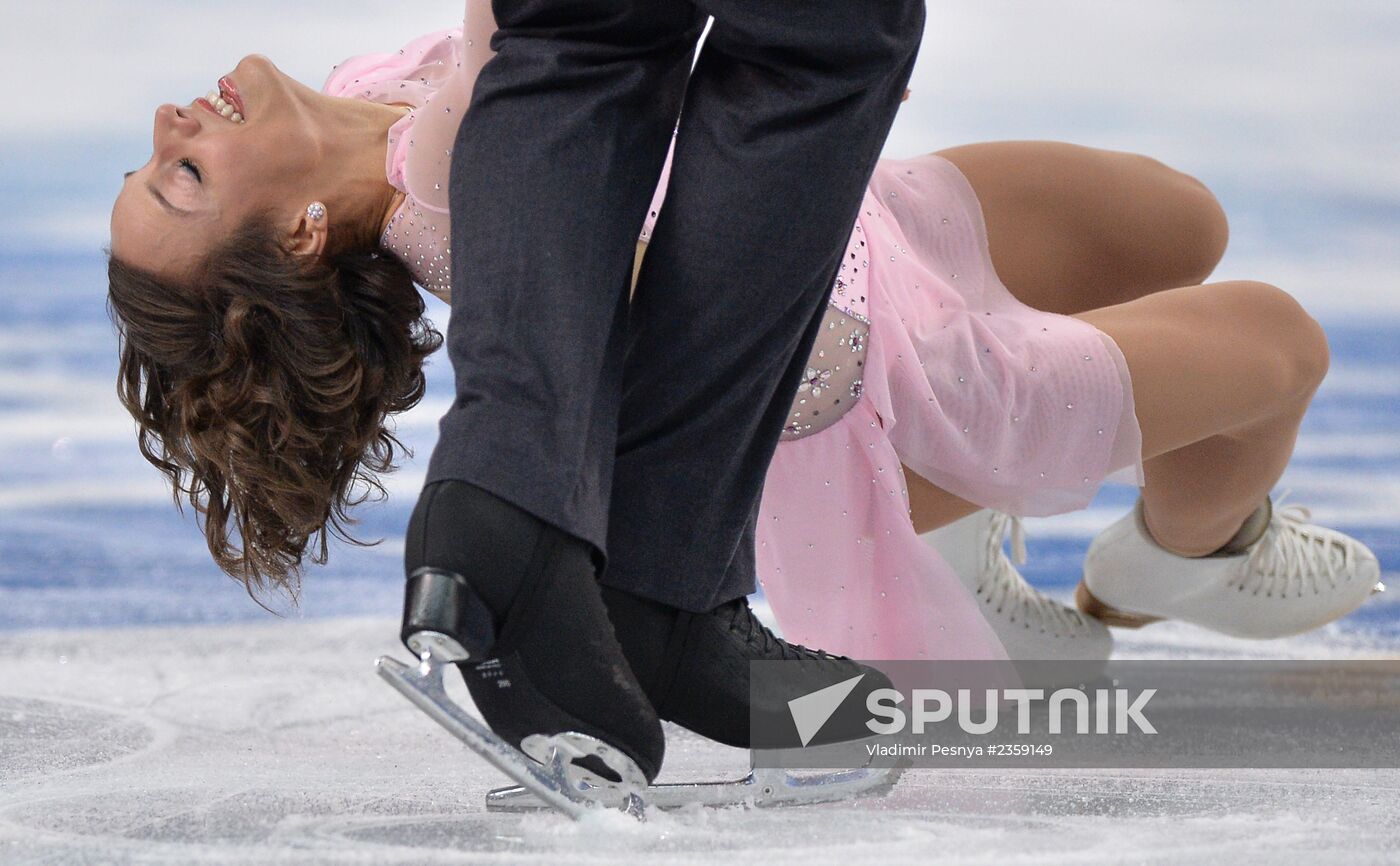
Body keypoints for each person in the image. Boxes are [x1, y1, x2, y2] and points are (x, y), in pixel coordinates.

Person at [107, 5, 1380, 775]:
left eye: (160, 156)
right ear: (303, 236)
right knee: (1277, 345)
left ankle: (964, 544)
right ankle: (1180, 555)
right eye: (186, 177)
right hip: (883, 374)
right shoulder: (449, 177)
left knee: (1181, 221)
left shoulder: (374, 77)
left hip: (876, 228)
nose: (175, 119)